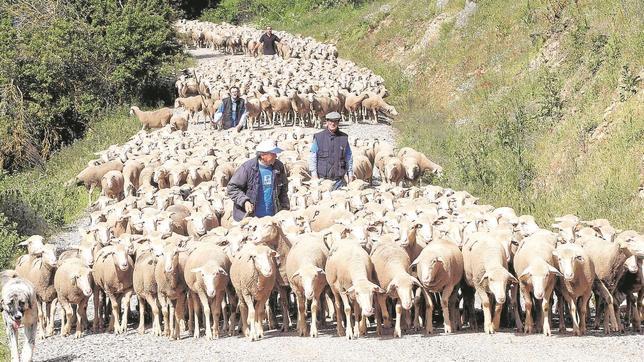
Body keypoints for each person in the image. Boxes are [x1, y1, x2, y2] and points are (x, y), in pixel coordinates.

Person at [227, 139, 289, 222]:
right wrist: (244, 201)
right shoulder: (247, 168)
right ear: (263, 155)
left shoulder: (278, 166)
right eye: (273, 153)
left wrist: (285, 208)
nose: (276, 156)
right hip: (250, 218)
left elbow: (283, 189)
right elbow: (232, 187)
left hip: (272, 217)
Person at [309, 112, 354, 190]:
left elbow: (348, 157)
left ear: (338, 123)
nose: (333, 123)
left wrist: (350, 175)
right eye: (330, 121)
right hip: (322, 180)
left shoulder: (343, 138)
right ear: (326, 122)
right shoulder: (318, 137)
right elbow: (313, 157)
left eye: (335, 121)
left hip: (338, 181)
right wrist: (314, 175)